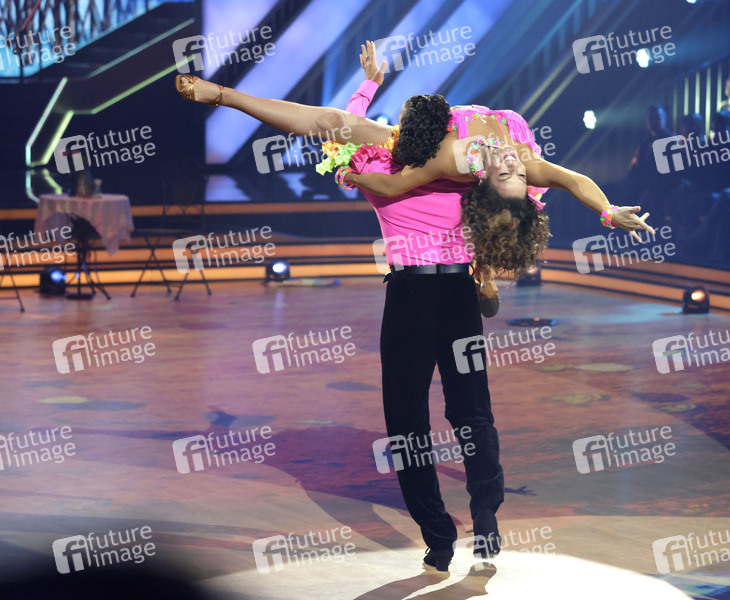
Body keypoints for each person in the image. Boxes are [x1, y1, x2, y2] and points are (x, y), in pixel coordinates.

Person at [176, 41, 653, 572]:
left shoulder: (404, 158)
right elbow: (329, 123)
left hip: (432, 295)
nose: (511, 169)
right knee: (431, 421)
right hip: (428, 293)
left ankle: (473, 521)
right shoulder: (418, 155)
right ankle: (451, 530)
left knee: (453, 416)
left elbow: (334, 125)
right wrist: (606, 211)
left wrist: (353, 96)